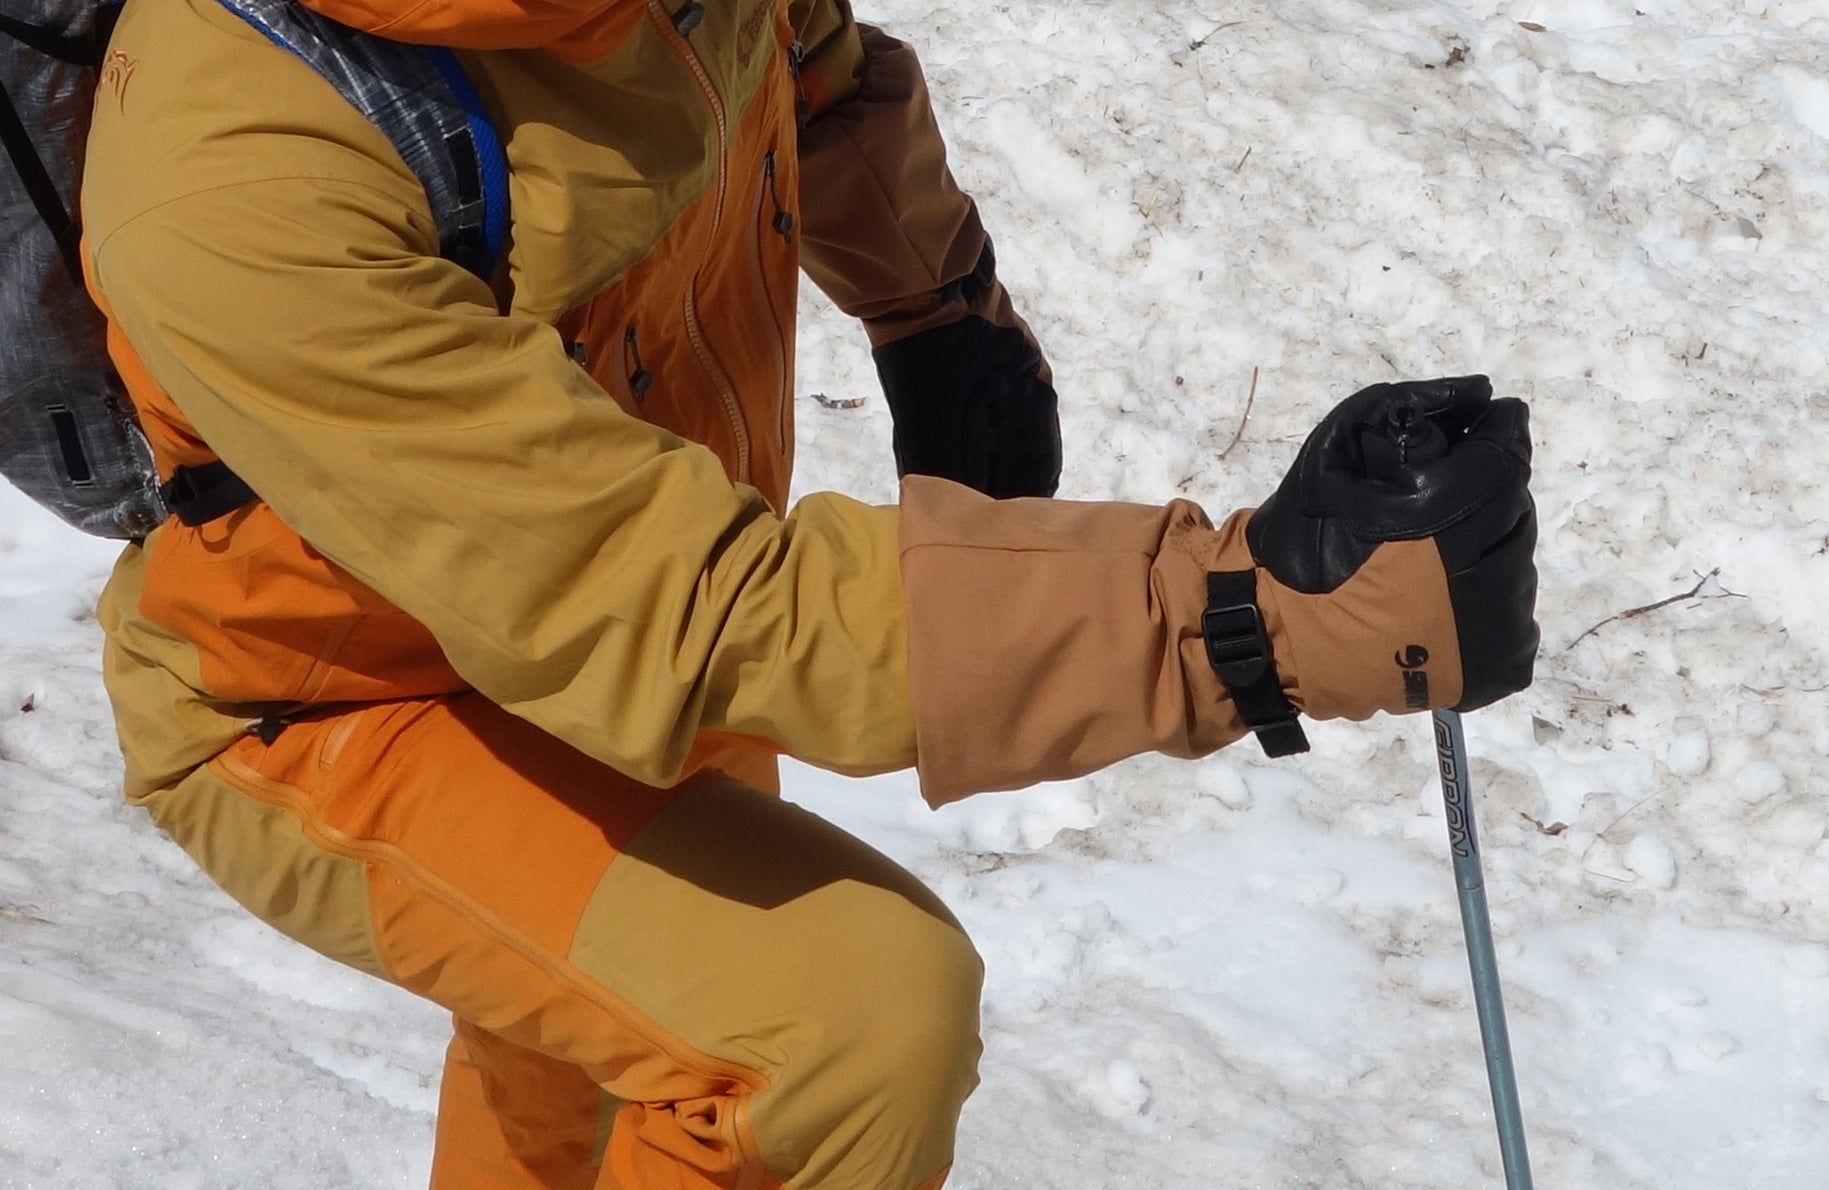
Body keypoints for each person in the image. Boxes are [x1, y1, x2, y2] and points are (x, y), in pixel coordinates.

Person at [81, 0, 1540, 1186]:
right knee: (830, 1026)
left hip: (615, 601)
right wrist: (1260, 613)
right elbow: (682, 607)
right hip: (341, 701)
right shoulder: (238, 168)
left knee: (596, 1070)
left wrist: (932, 304)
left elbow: (804, 65)